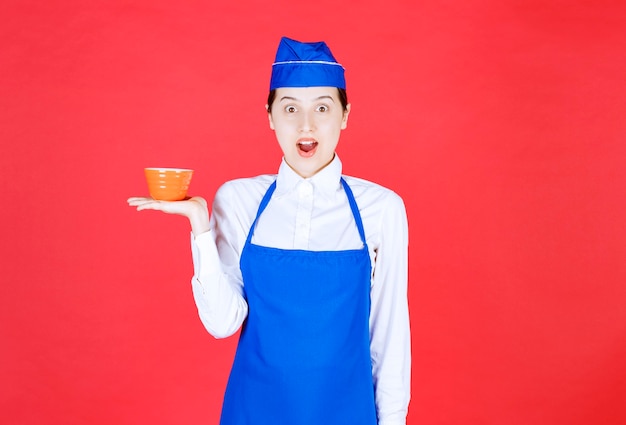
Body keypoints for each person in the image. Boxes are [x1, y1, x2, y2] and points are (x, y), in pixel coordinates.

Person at [128, 36, 410, 425]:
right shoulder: (239, 199)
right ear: (269, 116)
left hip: (347, 414)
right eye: (290, 108)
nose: (306, 125)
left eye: (323, 108)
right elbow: (222, 323)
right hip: (253, 412)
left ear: (345, 115)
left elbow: (389, 337)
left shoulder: (381, 209)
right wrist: (199, 227)